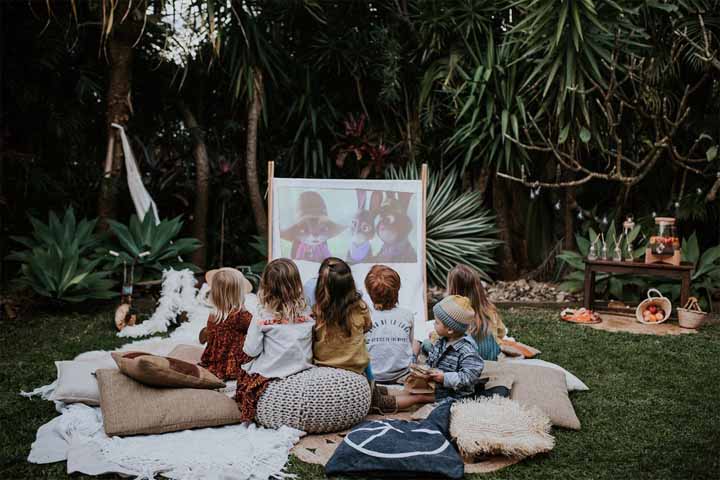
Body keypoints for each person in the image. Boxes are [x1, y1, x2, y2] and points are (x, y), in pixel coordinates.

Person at [372, 295, 484, 413]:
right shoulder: (442, 340)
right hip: (437, 386)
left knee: (418, 397)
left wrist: (444, 377)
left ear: (450, 329)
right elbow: (432, 360)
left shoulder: (467, 350)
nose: (434, 325)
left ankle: (382, 404)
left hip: (454, 394)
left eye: (437, 322)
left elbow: (469, 377)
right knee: (410, 389)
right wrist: (425, 370)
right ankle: (378, 392)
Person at [237, 258, 315, 422]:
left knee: (244, 367)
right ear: (296, 283)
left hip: (271, 373)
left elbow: (251, 350)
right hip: (303, 369)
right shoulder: (308, 312)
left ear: (266, 286)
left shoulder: (262, 315)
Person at [312, 257, 372, 375]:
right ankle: (372, 386)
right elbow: (368, 327)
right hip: (356, 372)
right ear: (351, 284)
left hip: (323, 371)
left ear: (321, 286)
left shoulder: (316, 312)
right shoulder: (360, 308)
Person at [364, 265, 418, 383]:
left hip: (373, 376)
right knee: (416, 343)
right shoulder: (407, 315)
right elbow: (408, 343)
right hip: (403, 375)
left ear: (369, 292)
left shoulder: (364, 317)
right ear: (397, 290)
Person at [199, 268, 254, 380]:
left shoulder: (213, 315)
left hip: (215, 359)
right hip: (232, 360)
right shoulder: (239, 315)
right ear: (238, 294)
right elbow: (254, 329)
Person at [446, 264, 506, 361]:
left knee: (427, 344)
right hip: (489, 357)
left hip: (465, 359)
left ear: (453, 290)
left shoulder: (451, 312)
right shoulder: (489, 310)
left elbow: (442, 337)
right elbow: (502, 333)